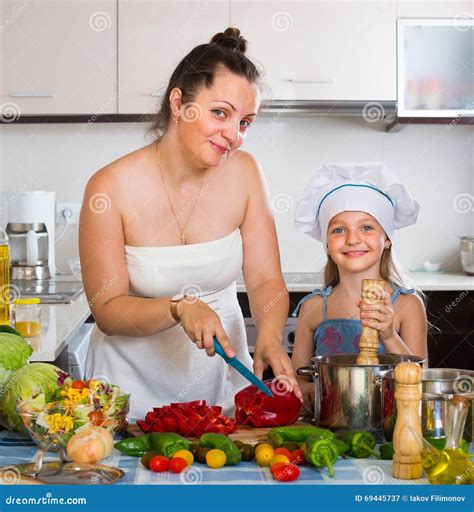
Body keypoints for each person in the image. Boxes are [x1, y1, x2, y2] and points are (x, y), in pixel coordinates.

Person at [79, 27, 302, 419]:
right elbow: (108, 311)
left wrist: (268, 336)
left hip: (222, 390)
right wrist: (179, 308)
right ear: (180, 103)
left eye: (245, 123)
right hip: (125, 399)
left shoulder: (246, 173)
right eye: (221, 113)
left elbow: (266, 280)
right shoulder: (110, 187)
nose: (234, 136)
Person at [290, 162, 428, 407]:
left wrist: (389, 334)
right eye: (339, 230)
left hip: (390, 432)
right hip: (329, 432)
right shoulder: (313, 307)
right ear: (327, 244)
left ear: (386, 239)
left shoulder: (408, 305)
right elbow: (297, 379)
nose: (353, 239)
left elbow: (419, 382)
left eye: (366, 227)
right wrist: (307, 390)